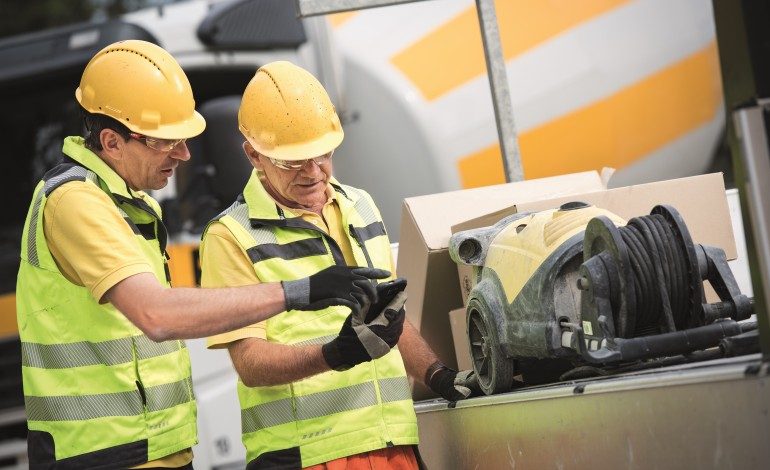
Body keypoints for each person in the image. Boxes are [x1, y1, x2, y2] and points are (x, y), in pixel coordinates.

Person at [15, 41, 387, 470]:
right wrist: (299, 291)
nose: (184, 154)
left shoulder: (130, 205)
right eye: (166, 142)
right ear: (112, 142)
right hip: (100, 457)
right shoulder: (75, 202)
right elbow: (158, 315)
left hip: (152, 451)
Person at [202, 61, 478, 470]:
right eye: (294, 162)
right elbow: (251, 365)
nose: (314, 173)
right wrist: (335, 354)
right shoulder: (229, 238)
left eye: (323, 154)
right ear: (254, 155)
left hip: (393, 441)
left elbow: (391, 320)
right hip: (308, 456)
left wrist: (438, 375)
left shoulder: (359, 205)